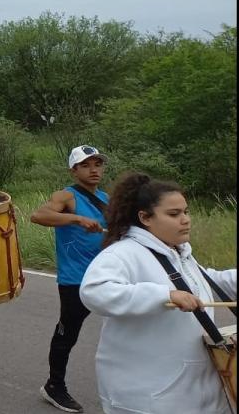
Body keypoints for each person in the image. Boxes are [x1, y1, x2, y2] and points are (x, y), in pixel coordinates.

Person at [80, 173, 237, 414]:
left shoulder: (179, 254)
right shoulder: (123, 253)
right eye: (174, 214)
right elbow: (95, 291)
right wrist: (165, 295)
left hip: (198, 390)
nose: (185, 220)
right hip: (150, 396)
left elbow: (207, 280)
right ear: (145, 218)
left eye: (186, 212)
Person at [30, 145, 112, 413]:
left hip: (106, 276)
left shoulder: (105, 198)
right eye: (87, 165)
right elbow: (38, 215)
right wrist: (76, 219)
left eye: (98, 164)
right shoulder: (66, 195)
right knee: (68, 333)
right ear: (74, 170)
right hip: (76, 279)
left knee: (127, 326)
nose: (94, 169)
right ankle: (54, 386)